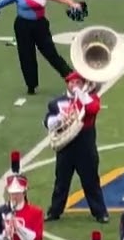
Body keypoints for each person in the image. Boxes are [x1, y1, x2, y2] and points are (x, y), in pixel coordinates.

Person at [44, 71, 109, 224]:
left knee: (91, 181)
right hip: (65, 147)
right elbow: (47, 120)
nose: (74, 86)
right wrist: (56, 120)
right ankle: (55, 211)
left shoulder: (90, 98)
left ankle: (100, 212)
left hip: (85, 147)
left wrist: (81, 94)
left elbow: (92, 109)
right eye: (72, 83)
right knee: (61, 181)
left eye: (78, 83)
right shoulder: (57, 102)